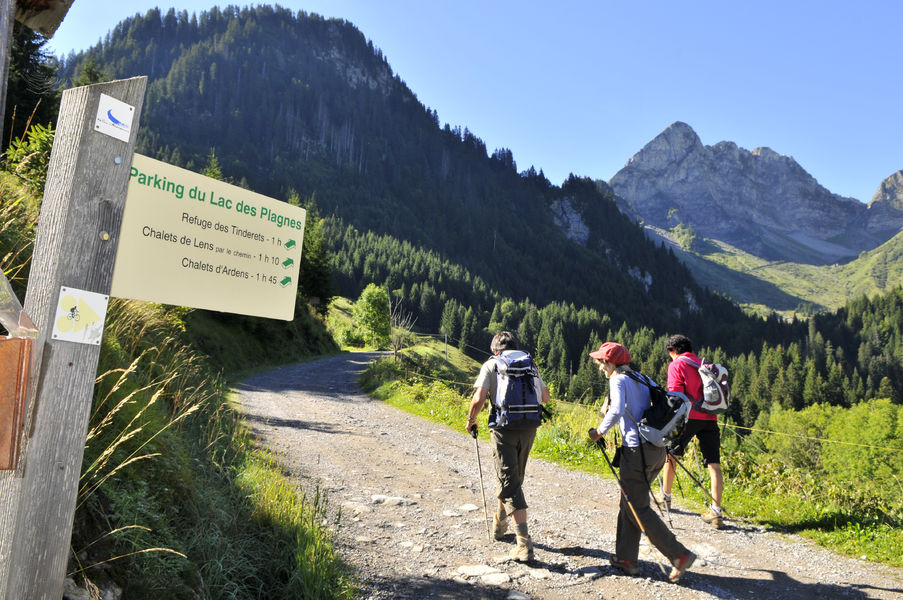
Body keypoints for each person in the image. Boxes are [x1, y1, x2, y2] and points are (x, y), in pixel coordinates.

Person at [587, 341, 695, 582]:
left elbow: (616, 411)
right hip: (656, 450)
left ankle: (679, 555)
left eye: (600, 362)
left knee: (638, 506)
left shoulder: (618, 380)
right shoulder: (642, 378)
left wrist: (599, 433)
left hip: (636, 451)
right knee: (630, 500)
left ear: (610, 362)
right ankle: (626, 558)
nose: (599, 367)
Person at [465, 331, 550, 561]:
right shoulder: (529, 364)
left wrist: (472, 419)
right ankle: (501, 522)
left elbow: (479, 398)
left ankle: (523, 544)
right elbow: (545, 396)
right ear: (515, 347)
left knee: (509, 482)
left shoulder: (491, 364)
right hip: (530, 427)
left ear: (495, 350)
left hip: (503, 429)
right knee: (513, 478)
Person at [657, 334, 724, 528]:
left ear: (673, 351)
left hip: (688, 417)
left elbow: (675, 393)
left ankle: (665, 497)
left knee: (671, 454)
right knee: (714, 464)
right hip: (710, 417)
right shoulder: (703, 364)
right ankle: (716, 512)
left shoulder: (677, 365)